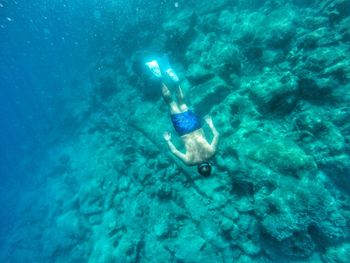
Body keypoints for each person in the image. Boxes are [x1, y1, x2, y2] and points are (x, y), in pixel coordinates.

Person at [146, 56, 219, 176]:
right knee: (171, 103)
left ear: (209, 165)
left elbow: (217, 134)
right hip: (183, 130)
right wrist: (168, 140)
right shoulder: (189, 162)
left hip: (195, 126)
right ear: (198, 168)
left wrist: (211, 124)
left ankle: (176, 81)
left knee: (182, 103)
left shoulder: (212, 152)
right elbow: (174, 151)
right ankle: (159, 77)